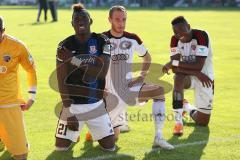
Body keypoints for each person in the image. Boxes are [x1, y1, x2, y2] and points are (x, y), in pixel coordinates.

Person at [85, 5, 174, 150]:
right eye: (117, 19)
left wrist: (141, 76)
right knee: (112, 140)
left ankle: (158, 137)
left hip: (128, 88)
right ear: (110, 20)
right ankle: (97, 125)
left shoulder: (132, 38)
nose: (121, 23)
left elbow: (147, 57)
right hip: (109, 93)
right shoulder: (101, 39)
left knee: (158, 91)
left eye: (124, 19)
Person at [54, 3, 115, 151]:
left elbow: (100, 73)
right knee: (60, 149)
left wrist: (73, 60)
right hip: (73, 106)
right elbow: (61, 81)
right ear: (72, 24)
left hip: (96, 105)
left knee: (109, 147)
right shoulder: (64, 46)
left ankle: (90, 130)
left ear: (90, 21)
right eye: (76, 19)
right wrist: (68, 111)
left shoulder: (103, 41)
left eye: (84, 18)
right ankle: (76, 131)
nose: (80, 21)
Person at [163, 16, 214, 136]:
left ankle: (186, 106)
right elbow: (175, 69)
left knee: (202, 122)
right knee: (178, 78)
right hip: (190, 76)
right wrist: (196, 73)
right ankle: (178, 123)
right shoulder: (174, 40)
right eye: (175, 31)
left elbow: (198, 65)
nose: (179, 34)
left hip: (205, 78)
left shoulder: (201, 36)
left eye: (182, 29)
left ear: (189, 27)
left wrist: (173, 63)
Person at [0, 16, 37, 160]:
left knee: (21, 155)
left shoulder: (17, 46)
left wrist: (31, 96)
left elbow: (31, 70)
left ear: (3, 30)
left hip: (9, 103)